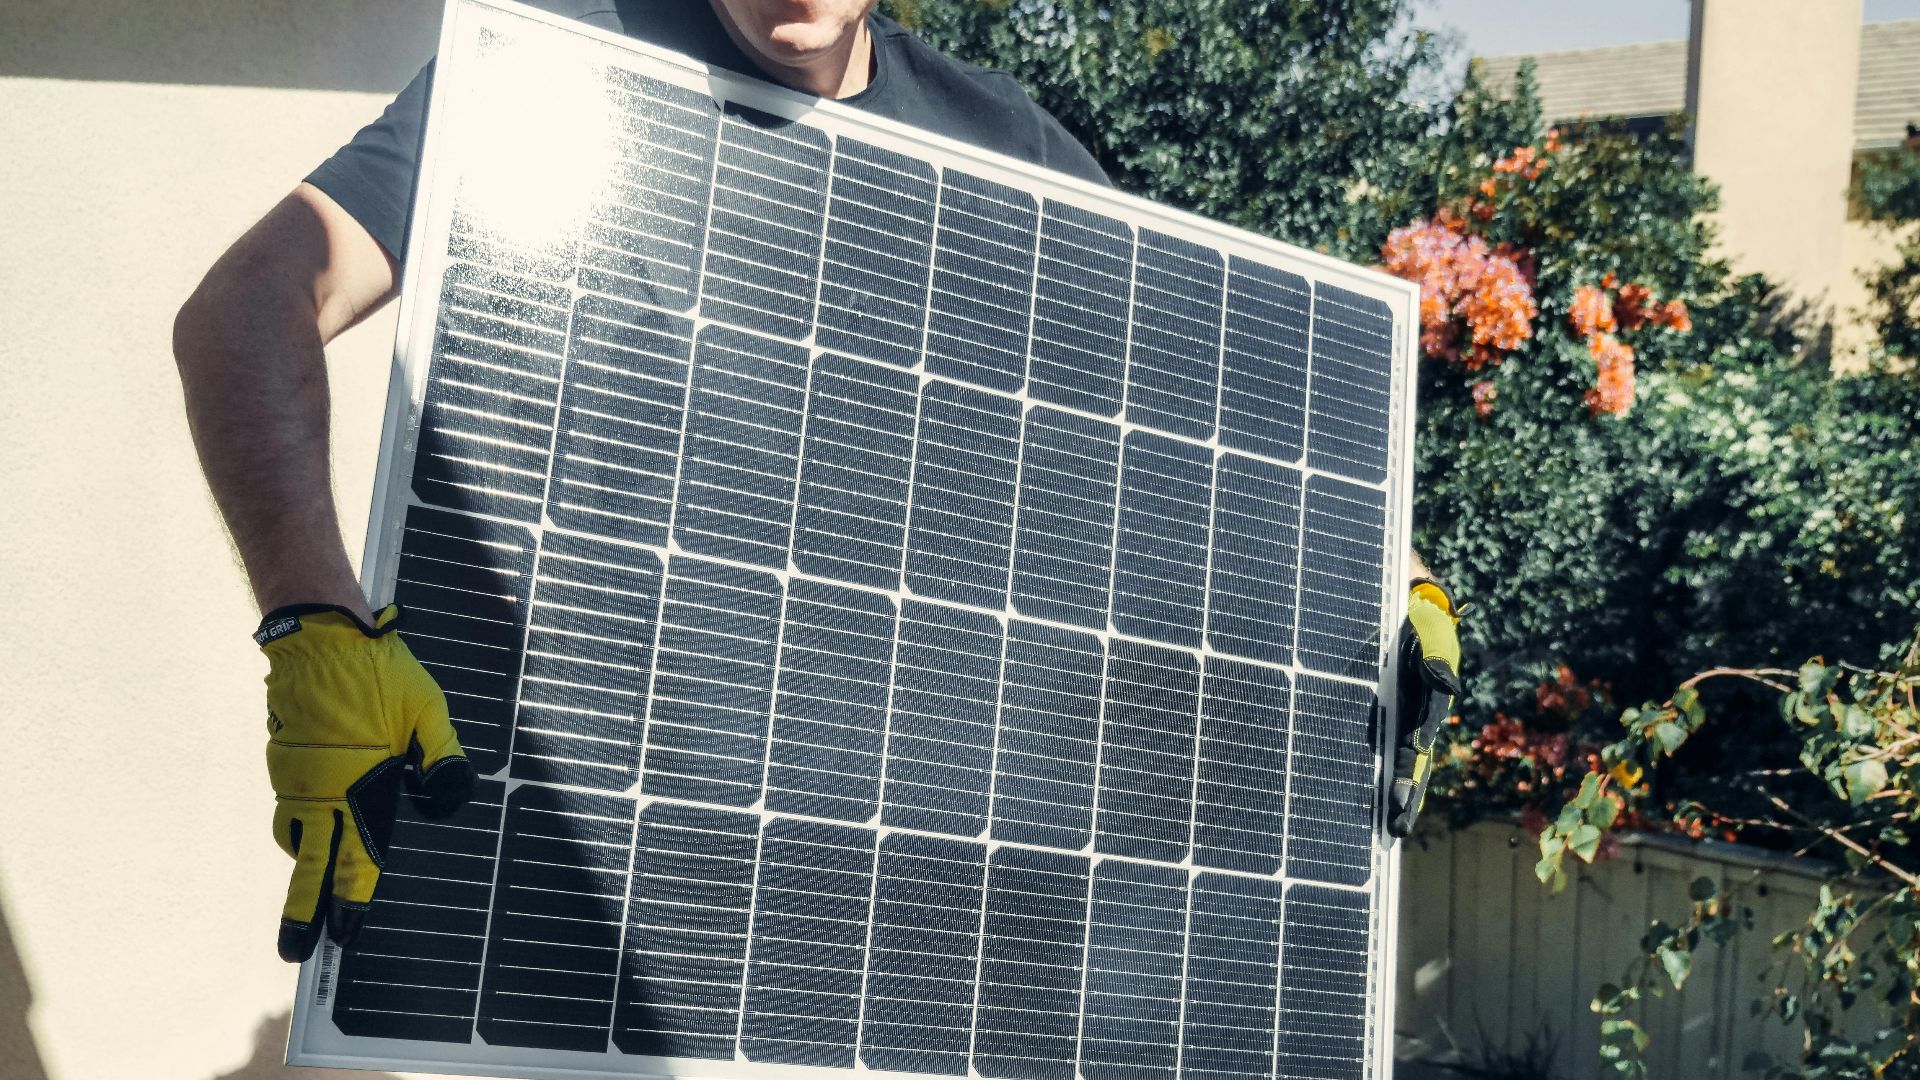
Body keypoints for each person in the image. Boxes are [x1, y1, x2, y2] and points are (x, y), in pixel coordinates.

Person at [173, 0, 1456, 966]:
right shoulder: (552, 80)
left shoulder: (1014, 152)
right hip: (578, 876)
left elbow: (1203, 440)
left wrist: (1383, 568)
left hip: (920, 924)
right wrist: (314, 615)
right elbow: (248, 306)